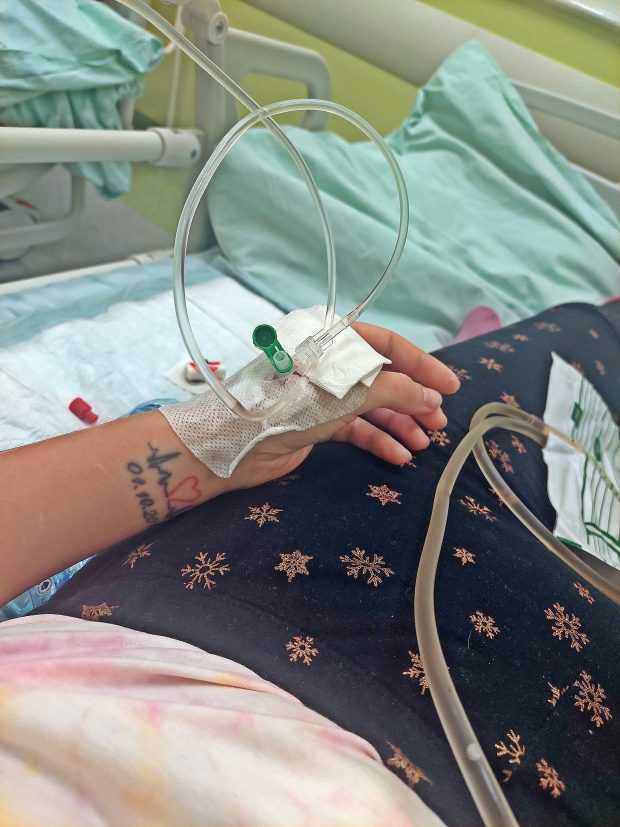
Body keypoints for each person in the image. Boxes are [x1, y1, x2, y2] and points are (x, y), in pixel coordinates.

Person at [1, 305, 618, 827]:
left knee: (504, 377)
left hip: (168, 604)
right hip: (468, 776)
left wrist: (224, 432)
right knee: (564, 358)